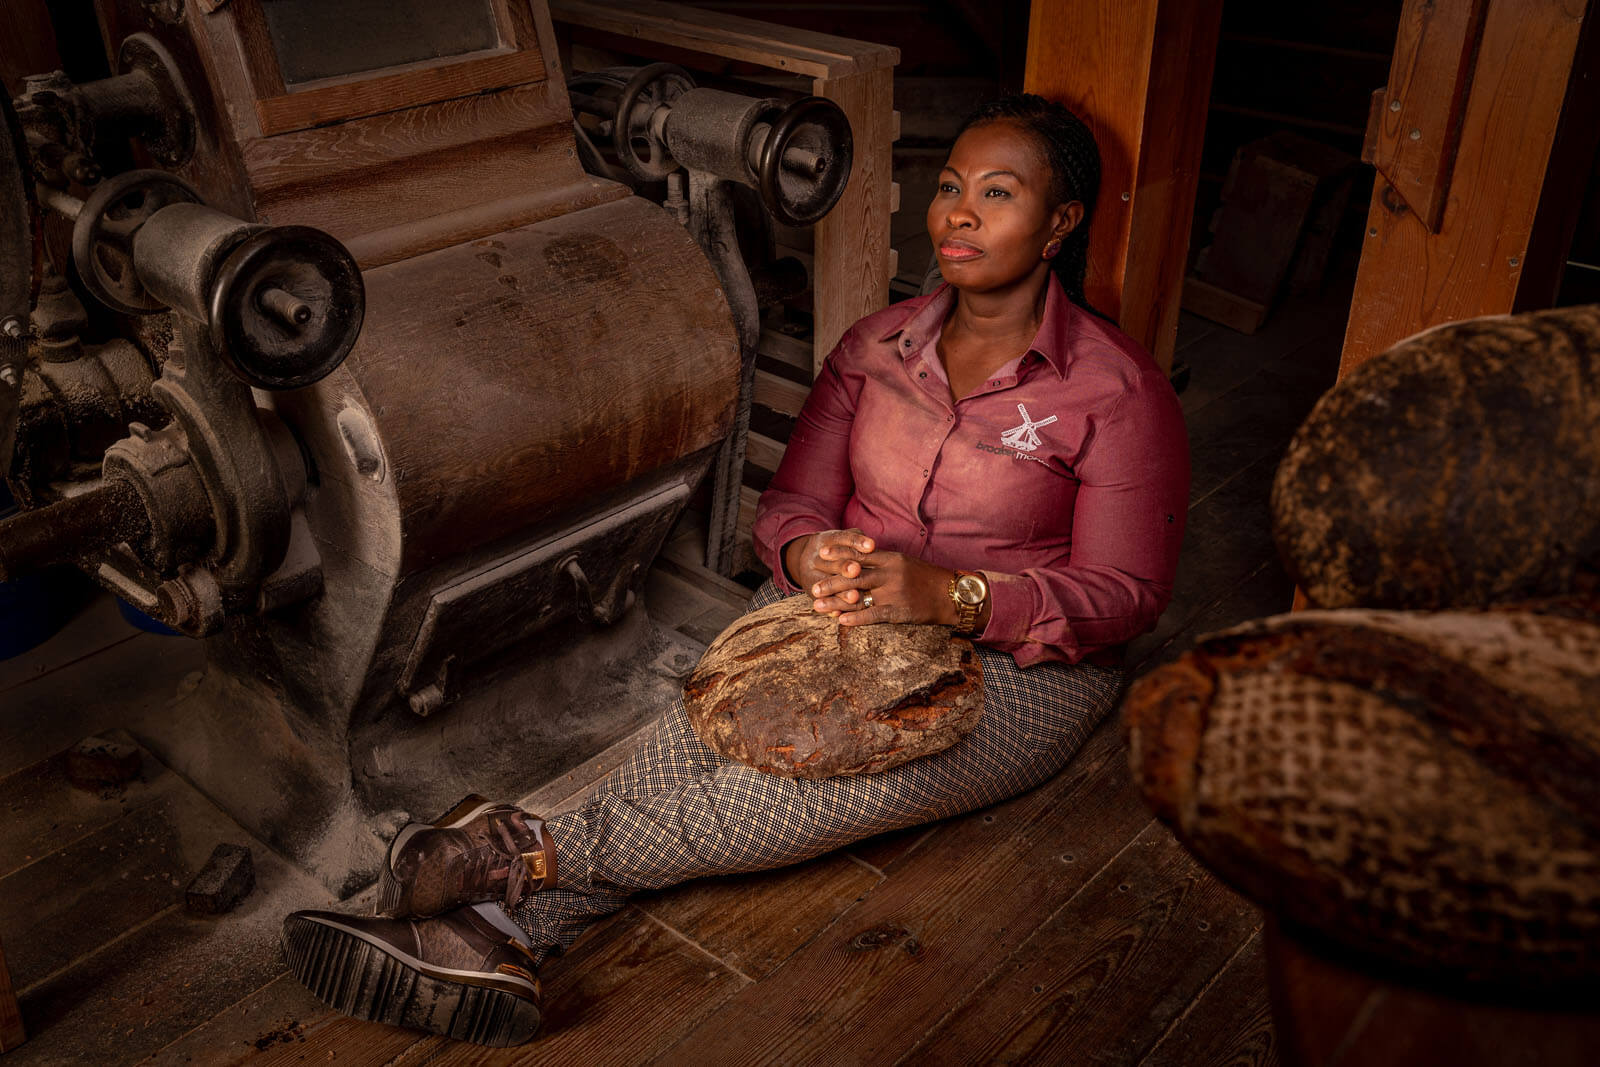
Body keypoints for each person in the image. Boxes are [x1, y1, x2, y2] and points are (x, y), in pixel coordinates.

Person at [280, 93, 1189, 1048]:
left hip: (1020, 663)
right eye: (952, 186)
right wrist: (810, 554)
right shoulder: (875, 348)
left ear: (1061, 224)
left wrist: (952, 595)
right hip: (834, 611)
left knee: (797, 789)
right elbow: (792, 510)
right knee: (693, 742)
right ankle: (493, 933)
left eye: (997, 194)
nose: (957, 211)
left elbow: (1129, 595)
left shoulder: (1118, 392)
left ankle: (508, 858)